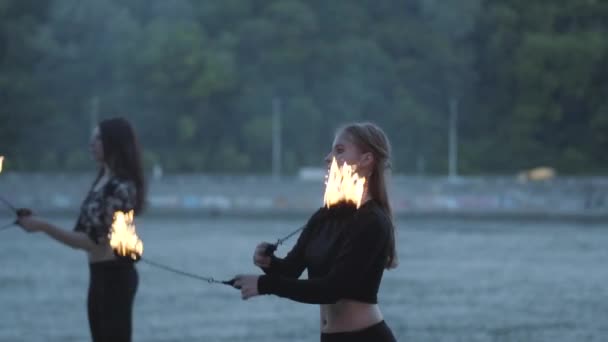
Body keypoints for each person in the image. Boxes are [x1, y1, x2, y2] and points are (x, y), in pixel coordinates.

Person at [233, 122, 398, 341]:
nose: (328, 158)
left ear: (366, 160)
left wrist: (265, 285)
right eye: (331, 151)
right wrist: (269, 263)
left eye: (339, 150)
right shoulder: (325, 216)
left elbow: (331, 289)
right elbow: (291, 270)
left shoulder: (372, 221)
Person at [18, 117, 146, 342]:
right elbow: (86, 232)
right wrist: (38, 221)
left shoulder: (121, 187)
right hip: (99, 276)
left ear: (113, 143)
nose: (91, 144)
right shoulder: (102, 182)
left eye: (98, 138)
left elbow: (92, 241)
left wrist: (42, 226)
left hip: (115, 278)